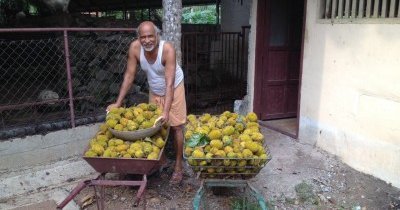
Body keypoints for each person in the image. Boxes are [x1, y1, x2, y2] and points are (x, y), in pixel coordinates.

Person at [107, 21, 187, 184]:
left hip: (174, 86)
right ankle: (160, 161)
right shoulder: (135, 48)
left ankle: (178, 166)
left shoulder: (167, 49)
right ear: (138, 38)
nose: (147, 40)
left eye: (150, 36)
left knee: (176, 127)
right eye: (143, 37)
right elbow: (129, 76)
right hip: (155, 89)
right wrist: (117, 103)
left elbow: (169, 82)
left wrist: (166, 111)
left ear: (157, 36)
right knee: (154, 127)